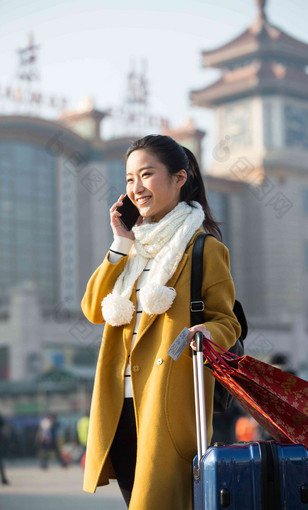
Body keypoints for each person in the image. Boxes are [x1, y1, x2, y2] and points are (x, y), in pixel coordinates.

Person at [81, 134, 241, 509]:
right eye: (129, 179)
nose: (136, 188)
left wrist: (208, 331)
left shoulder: (203, 248)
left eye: (147, 174)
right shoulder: (129, 248)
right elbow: (92, 309)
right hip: (117, 406)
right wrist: (119, 242)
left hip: (167, 402)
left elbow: (226, 322)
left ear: (180, 178)